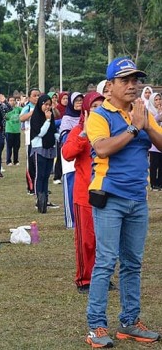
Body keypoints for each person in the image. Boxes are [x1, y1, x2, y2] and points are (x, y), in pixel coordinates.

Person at [84, 57, 162, 348]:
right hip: (109, 198)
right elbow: (102, 149)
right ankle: (96, 326)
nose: (132, 86)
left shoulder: (141, 112)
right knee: (105, 262)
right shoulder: (100, 115)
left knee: (133, 263)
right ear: (110, 87)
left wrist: (145, 125)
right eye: (125, 80)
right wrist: (133, 129)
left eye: (135, 80)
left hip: (137, 200)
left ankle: (130, 322)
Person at [61, 91, 105, 294]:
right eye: (94, 106)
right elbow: (67, 154)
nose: (98, 110)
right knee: (86, 240)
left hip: (106, 192)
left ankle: (102, 277)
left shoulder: (109, 130)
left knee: (104, 240)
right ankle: (84, 279)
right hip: (84, 195)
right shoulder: (78, 130)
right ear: (86, 110)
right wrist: (84, 133)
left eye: (101, 106)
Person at [29, 94, 58, 213]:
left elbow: (53, 131)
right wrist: (47, 120)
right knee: (39, 175)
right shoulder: (36, 117)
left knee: (46, 176)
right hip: (39, 148)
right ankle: (38, 199)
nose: (47, 107)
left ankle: (45, 199)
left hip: (50, 148)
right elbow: (40, 133)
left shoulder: (51, 117)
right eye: (45, 104)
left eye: (49, 105)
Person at [58, 92, 83, 228]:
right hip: (70, 159)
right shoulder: (67, 118)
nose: (79, 103)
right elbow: (64, 138)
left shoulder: (86, 116)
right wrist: (78, 136)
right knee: (71, 188)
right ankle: (71, 221)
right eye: (76, 101)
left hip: (83, 157)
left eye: (81, 100)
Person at [20, 88, 41, 195]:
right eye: (34, 95)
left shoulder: (43, 106)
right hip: (30, 140)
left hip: (41, 140)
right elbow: (21, 118)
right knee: (31, 164)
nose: (37, 97)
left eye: (38, 95)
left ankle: (39, 187)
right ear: (29, 97)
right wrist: (32, 113)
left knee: (39, 164)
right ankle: (31, 187)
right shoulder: (28, 107)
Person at [148, 92, 162, 191]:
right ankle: (153, 184)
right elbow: (152, 123)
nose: (158, 101)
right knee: (154, 165)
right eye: (156, 99)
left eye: (159, 99)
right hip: (153, 144)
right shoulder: (149, 111)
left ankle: (160, 183)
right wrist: (158, 114)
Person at [4, 96, 22, 166]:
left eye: (13, 100)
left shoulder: (18, 109)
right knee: (9, 146)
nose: (12, 102)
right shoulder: (6, 110)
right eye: (10, 100)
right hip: (9, 130)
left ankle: (16, 161)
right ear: (8, 102)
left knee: (16, 147)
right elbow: (4, 117)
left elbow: (25, 110)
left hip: (17, 131)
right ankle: (8, 161)